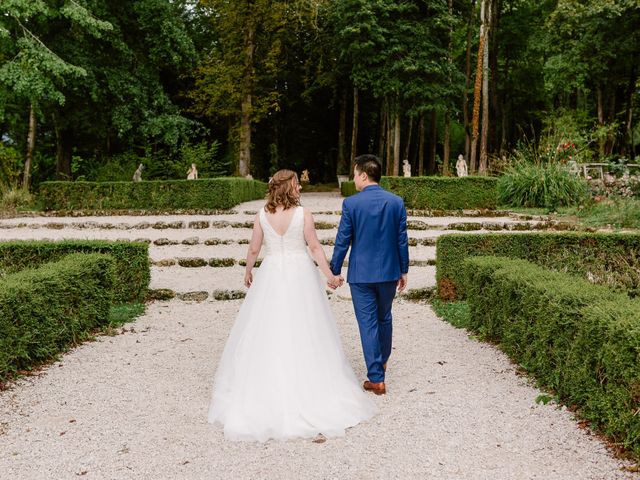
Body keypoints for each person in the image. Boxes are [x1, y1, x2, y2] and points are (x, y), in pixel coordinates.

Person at [208, 169, 375, 442]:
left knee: (268, 327)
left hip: (271, 272)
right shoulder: (303, 214)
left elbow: (253, 249)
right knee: (305, 326)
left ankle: (266, 385)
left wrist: (248, 271)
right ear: (289, 187)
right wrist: (330, 276)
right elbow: (314, 248)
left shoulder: (262, 214)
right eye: (297, 184)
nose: (300, 187)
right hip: (299, 274)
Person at [330, 154, 409, 396]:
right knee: (384, 317)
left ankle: (376, 378)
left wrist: (334, 270)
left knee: (368, 323)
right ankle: (382, 362)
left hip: (361, 275)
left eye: (354, 174)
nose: (353, 179)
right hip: (388, 272)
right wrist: (403, 269)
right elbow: (401, 239)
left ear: (364, 175)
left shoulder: (351, 204)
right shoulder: (396, 202)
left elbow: (343, 240)